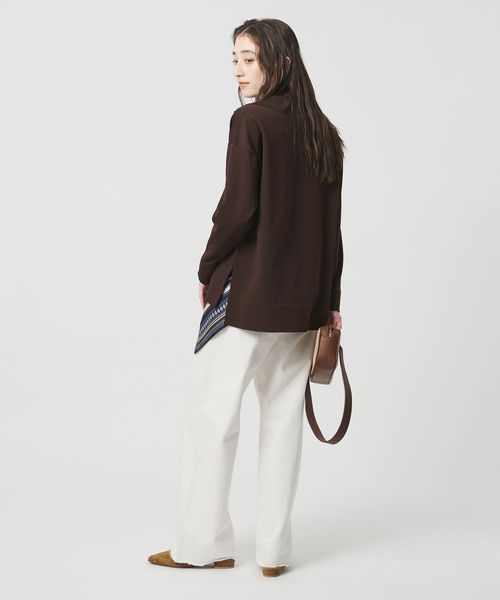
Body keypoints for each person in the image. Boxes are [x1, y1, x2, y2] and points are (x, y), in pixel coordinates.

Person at [148, 17, 345, 577]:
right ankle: (274, 555)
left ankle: (202, 546)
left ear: (280, 61)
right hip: (304, 307)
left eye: (249, 59)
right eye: (234, 58)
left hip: (249, 301)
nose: (238, 69)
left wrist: (207, 266)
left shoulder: (250, 121)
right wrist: (330, 302)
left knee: (212, 419)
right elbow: (331, 231)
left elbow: (237, 209)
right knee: (282, 423)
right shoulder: (323, 133)